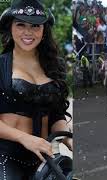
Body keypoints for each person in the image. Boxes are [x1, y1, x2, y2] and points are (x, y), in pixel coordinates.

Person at [0, 0, 72, 179]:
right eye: (20, 24)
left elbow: (56, 114)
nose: (28, 32)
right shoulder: (1, 65)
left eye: (35, 26)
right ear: (10, 27)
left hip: (45, 158)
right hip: (6, 158)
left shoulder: (55, 66)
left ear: (44, 30)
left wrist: (67, 137)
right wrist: (25, 138)